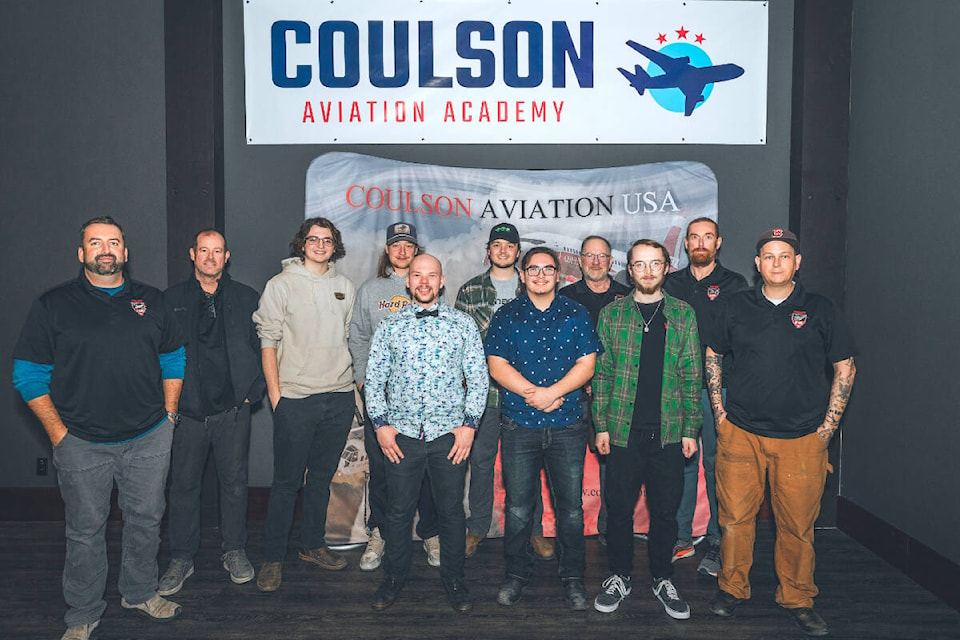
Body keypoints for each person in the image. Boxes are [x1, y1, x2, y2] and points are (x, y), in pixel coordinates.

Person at [12, 217, 185, 640]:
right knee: (85, 531)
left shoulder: (152, 300)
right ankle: (83, 612)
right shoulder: (53, 305)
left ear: (125, 252)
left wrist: (169, 415)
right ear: (82, 253)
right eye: (95, 243)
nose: (105, 250)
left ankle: (140, 592)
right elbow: (27, 374)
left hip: (148, 437)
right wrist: (59, 435)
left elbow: (174, 357)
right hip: (81, 444)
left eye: (113, 242)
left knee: (146, 520)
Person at [705, 228, 857, 637]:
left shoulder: (821, 308)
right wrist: (719, 413)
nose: (775, 263)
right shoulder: (736, 306)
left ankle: (798, 597)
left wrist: (827, 428)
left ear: (797, 262)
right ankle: (732, 589)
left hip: (802, 439)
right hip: (740, 434)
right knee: (735, 520)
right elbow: (714, 355)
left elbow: (845, 366)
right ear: (757, 264)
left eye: (784, 255)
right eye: (768, 256)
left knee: (796, 526)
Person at [365, 254, 489, 612]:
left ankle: (454, 579)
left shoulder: (463, 324)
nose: (423, 281)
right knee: (398, 511)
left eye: (430, 275)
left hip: (448, 437)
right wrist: (381, 426)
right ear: (408, 281)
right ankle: (394, 577)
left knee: (450, 511)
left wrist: (469, 427)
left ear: (441, 280)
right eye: (417, 275)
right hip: (401, 436)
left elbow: (478, 380)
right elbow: (374, 380)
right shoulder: (389, 326)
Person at [485, 247, 603, 611]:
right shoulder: (507, 315)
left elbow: (588, 363)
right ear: (523, 275)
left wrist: (553, 393)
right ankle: (517, 574)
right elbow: (496, 363)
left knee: (570, 510)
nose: (539, 275)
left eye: (547, 269)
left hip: (566, 424)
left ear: (558, 275)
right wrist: (532, 394)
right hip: (520, 424)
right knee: (519, 508)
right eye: (532, 269)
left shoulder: (576, 313)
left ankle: (572, 577)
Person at [591, 239, 701, 619]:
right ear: (630, 269)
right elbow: (601, 375)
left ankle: (662, 577)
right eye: (640, 264)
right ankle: (619, 575)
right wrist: (601, 425)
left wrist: (691, 428)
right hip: (622, 431)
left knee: (666, 512)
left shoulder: (684, 314)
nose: (648, 271)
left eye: (656, 264)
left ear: (667, 267)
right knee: (619, 510)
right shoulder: (612, 314)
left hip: (669, 432)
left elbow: (691, 374)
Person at [158, 230, 266, 595]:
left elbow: (265, 347)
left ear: (226, 256)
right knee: (183, 486)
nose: (209, 257)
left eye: (216, 251)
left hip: (232, 412)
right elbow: (157, 352)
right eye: (203, 250)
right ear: (192, 254)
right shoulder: (170, 300)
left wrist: (254, 393)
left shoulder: (247, 297)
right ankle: (181, 558)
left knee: (234, 485)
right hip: (187, 414)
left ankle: (234, 551)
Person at [252, 217, 357, 592]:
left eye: (327, 240)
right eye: (313, 239)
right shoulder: (280, 286)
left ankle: (312, 545)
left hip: (339, 397)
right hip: (295, 398)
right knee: (286, 483)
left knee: (321, 480)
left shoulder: (344, 286)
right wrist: (277, 396)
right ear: (301, 243)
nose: (320, 245)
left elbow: (349, 339)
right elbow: (268, 340)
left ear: (334, 246)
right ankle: (273, 557)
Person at [350, 222, 440, 571]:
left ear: (416, 250)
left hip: (424, 404)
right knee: (384, 471)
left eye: (408, 245)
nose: (402, 251)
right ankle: (380, 533)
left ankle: (430, 532)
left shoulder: (431, 287)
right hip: (382, 400)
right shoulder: (371, 290)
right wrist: (362, 381)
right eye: (396, 246)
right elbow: (357, 336)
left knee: (428, 471)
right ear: (387, 251)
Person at [662, 217, 747, 576]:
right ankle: (680, 536)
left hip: (719, 389)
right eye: (693, 237)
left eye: (707, 237)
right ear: (685, 245)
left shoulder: (735, 284)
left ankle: (716, 540)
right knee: (679, 462)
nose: (700, 243)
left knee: (717, 465)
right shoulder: (670, 283)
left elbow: (744, 338)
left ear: (718, 242)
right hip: (676, 388)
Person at [454, 223, 527, 559]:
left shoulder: (532, 289)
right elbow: (459, 347)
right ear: (489, 250)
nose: (502, 250)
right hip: (484, 396)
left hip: (525, 393)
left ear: (517, 251)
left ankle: (534, 529)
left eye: (508, 245)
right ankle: (477, 527)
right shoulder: (469, 292)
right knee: (481, 463)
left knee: (526, 465)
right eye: (496, 244)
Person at [558, 235, 631, 543]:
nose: (596, 262)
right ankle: (569, 530)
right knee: (568, 464)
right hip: (574, 393)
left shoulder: (627, 297)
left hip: (616, 394)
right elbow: (559, 347)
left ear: (611, 262)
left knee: (613, 467)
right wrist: (581, 379)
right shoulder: (565, 297)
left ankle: (609, 528)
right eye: (590, 256)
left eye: (602, 257)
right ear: (580, 260)